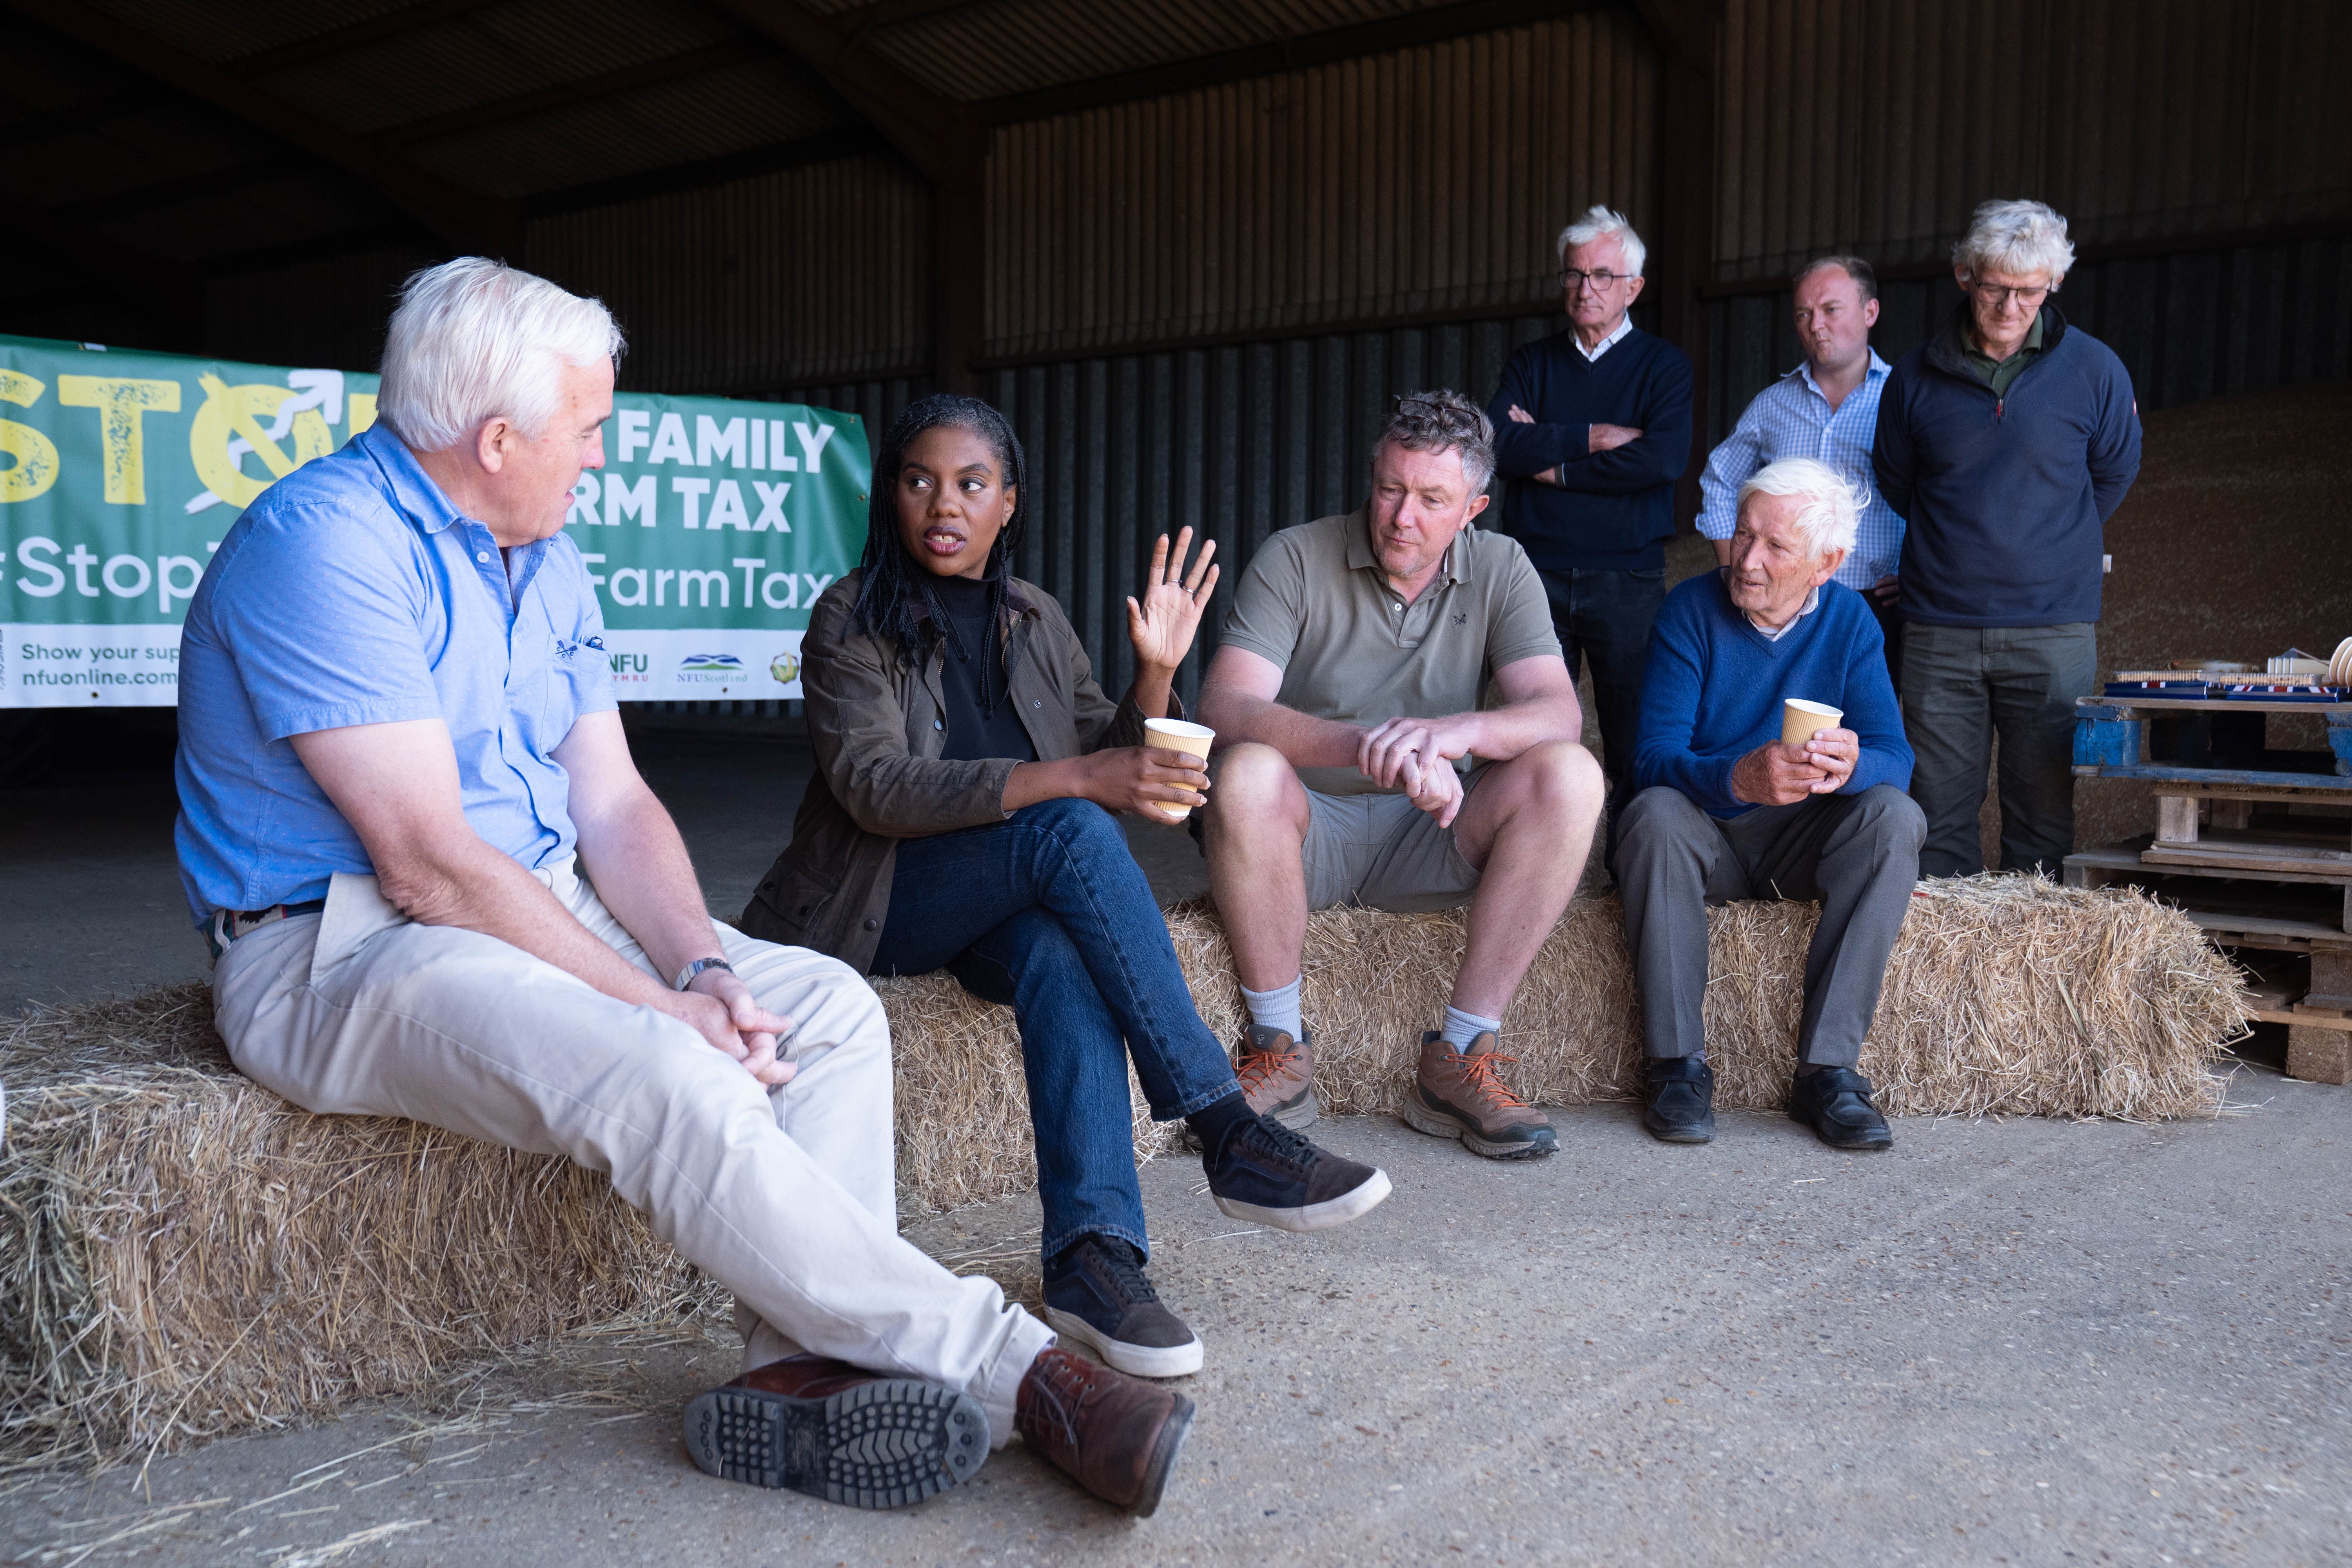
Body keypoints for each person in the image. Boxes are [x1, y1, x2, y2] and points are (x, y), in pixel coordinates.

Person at [174, 259, 1194, 1517]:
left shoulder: (537, 552)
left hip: (529, 892)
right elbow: (428, 864)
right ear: (498, 438)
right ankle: (1022, 1374)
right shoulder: (323, 544)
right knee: (674, 1071)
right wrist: (660, 1013)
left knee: (823, 1009)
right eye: (589, 428)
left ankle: (793, 1376)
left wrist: (703, 968)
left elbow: (610, 802)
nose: (597, 458)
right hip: (339, 945)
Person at [740, 394, 1390, 1381]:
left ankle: (1094, 1260)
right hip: (880, 898)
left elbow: (1107, 755)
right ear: (891, 496)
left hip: (1001, 892)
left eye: (971, 483)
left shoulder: (1033, 617)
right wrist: (1080, 782)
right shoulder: (849, 615)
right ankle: (1225, 1127)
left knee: (1060, 950)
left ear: (1011, 502)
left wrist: (1157, 675)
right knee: (1070, 825)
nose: (942, 504)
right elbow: (876, 786)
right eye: (919, 480)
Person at [1196, 391, 1605, 1161]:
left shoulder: (1502, 566)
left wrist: (1453, 734)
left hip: (1438, 828)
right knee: (1244, 770)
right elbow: (1225, 702)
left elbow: (1557, 712)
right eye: (1389, 488)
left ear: (1473, 507)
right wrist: (1362, 744)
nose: (1402, 516)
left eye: (1432, 499)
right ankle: (1278, 1046)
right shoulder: (1297, 554)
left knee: (1571, 775)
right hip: (1309, 830)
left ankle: (1459, 1055)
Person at [1615, 457, 1924, 1151]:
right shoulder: (1691, 609)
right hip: (1710, 837)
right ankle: (1676, 1068)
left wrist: (1854, 763)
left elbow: (1894, 758)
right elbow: (1650, 759)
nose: (1747, 560)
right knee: (1653, 817)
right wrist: (1737, 779)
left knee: (1895, 817)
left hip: (1800, 846)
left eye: (1776, 546)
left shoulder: (1850, 624)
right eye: (1744, 534)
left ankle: (1828, 1072)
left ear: (1827, 562)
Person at [1873, 198, 2142, 877]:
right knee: (1935, 806)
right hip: (1939, 628)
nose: (2012, 305)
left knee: (2043, 808)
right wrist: (1960, 544)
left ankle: (2027, 967)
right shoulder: (1913, 376)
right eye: (1996, 287)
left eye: (2031, 290)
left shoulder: (2094, 370)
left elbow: (2111, 472)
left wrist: (2049, 539)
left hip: (2053, 628)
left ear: (2053, 283)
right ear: (1965, 275)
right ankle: (1940, 968)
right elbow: (1897, 480)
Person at [1486, 205, 1695, 824]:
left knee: (1633, 729)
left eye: (1602, 276)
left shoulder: (1663, 367)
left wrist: (1547, 456)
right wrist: (1595, 436)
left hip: (1626, 577)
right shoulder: (1531, 362)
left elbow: (1661, 460)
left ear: (1634, 287)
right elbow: (1496, 446)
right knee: (1530, 730)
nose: (1585, 289)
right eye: (1574, 275)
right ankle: (1532, 855)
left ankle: (1631, 861)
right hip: (1535, 572)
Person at [1697, 254, 1906, 684]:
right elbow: (1719, 480)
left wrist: (1917, 571)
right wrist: (1739, 564)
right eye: (1803, 314)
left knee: (1865, 727)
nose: (1815, 325)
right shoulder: (1773, 405)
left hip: (1878, 602)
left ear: (1871, 312)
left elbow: (1939, 490)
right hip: (1785, 601)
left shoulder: (1903, 398)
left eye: (1831, 309)